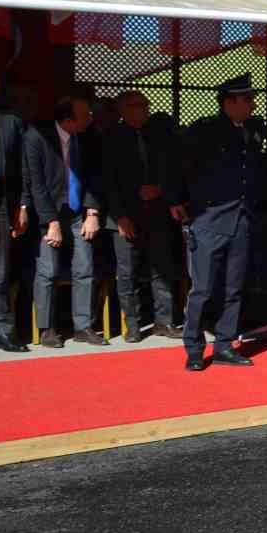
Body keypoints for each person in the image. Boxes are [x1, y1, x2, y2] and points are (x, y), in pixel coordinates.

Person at [173, 74, 264, 371]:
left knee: (234, 287)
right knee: (203, 288)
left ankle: (224, 344)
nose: (251, 104)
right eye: (246, 99)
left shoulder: (250, 131)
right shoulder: (204, 131)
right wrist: (177, 201)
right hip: (210, 218)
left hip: (241, 218)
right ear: (229, 102)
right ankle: (195, 348)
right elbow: (178, 164)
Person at [25, 96, 105, 349]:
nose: (90, 118)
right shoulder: (37, 137)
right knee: (47, 271)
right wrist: (50, 221)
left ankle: (83, 326)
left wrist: (92, 212)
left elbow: (94, 176)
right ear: (68, 119)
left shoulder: (88, 137)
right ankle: (48, 329)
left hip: (78, 209)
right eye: (85, 115)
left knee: (85, 268)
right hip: (49, 210)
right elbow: (35, 183)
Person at [104, 90, 181, 344]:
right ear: (124, 110)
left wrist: (161, 190)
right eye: (139, 105)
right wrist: (120, 217)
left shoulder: (158, 136)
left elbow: (171, 171)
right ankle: (133, 324)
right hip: (125, 216)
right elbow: (108, 183)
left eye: (146, 105)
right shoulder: (112, 138)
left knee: (163, 268)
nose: (145, 109)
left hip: (157, 212)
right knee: (128, 273)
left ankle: (164, 321)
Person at [0, 67, 27, 353]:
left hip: (0, 203)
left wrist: (22, 205)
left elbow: (22, 168)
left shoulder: (9, 120)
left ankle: (0, 328)